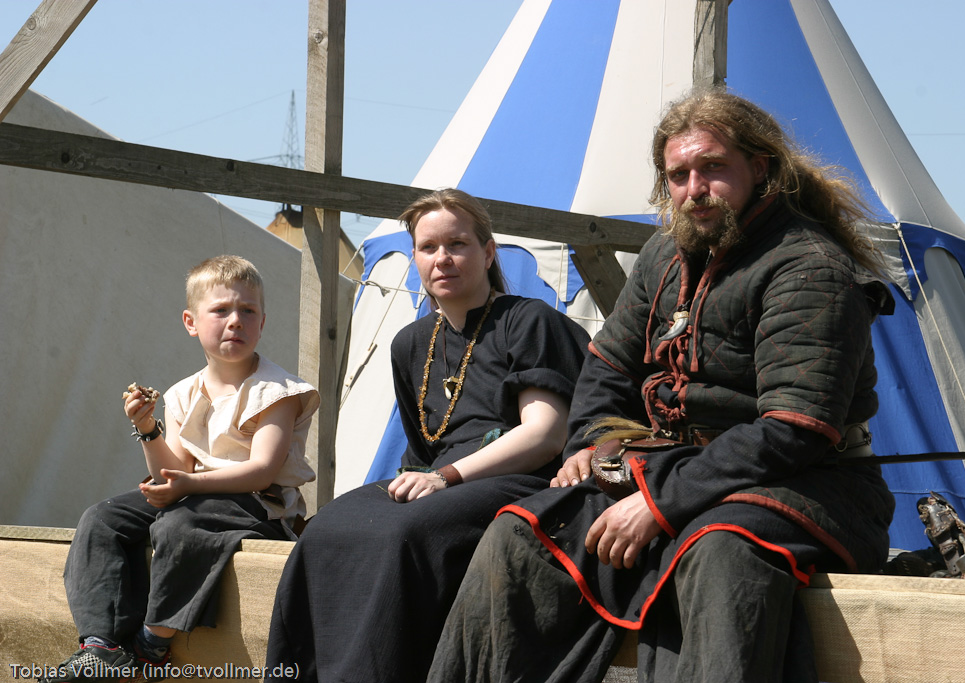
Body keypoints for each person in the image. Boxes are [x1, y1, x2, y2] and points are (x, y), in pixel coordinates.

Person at [426, 88, 897, 683]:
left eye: (713, 168)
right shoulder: (664, 255)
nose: (694, 189)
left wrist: (660, 504)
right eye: (678, 175)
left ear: (760, 168)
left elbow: (793, 429)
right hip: (670, 469)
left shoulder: (808, 267)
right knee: (522, 533)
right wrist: (591, 447)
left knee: (718, 550)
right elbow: (607, 367)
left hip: (808, 486)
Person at [264, 188, 591, 682]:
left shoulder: (528, 320)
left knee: (404, 534)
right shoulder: (410, 343)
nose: (443, 258)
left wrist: (445, 478)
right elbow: (422, 450)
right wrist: (431, 479)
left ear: (487, 252)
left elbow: (544, 435)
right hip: (445, 480)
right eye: (428, 247)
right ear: (415, 256)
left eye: (457, 244)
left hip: (524, 480)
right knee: (327, 528)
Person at [41, 255, 319, 682]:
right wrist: (147, 428)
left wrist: (186, 483)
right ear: (191, 322)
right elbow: (172, 471)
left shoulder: (278, 392)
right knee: (101, 518)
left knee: (178, 524)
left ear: (262, 322)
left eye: (248, 311)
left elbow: (262, 471)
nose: (236, 321)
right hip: (194, 494)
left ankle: (152, 641)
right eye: (221, 310)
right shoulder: (182, 393)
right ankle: (100, 646)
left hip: (256, 506)